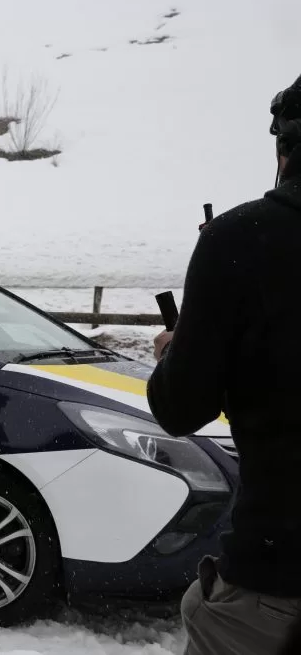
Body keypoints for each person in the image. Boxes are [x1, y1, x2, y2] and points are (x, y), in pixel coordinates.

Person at [147, 74, 301, 655]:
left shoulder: (241, 239)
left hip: (276, 581)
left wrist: (186, 343)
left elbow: (181, 407)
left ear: (283, 148)